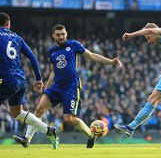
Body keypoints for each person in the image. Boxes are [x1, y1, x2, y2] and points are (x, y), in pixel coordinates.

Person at [14, 24, 122, 148]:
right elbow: (53, 72)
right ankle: (27, 139)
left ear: (66, 34)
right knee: (39, 109)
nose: (61, 37)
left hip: (71, 87)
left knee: (69, 119)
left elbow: (91, 55)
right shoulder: (51, 51)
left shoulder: (73, 45)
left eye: (63, 34)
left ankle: (91, 135)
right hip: (56, 87)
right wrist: (47, 88)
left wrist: (111, 61)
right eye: (58, 35)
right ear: (53, 36)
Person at [0, 12, 59, 149]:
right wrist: (38, 79)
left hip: (6, 78)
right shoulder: (17, 38)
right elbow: (32, 57)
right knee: (18, 113)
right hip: (21, 80)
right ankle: (49, 131)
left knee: (18, 113)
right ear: (8, 24)